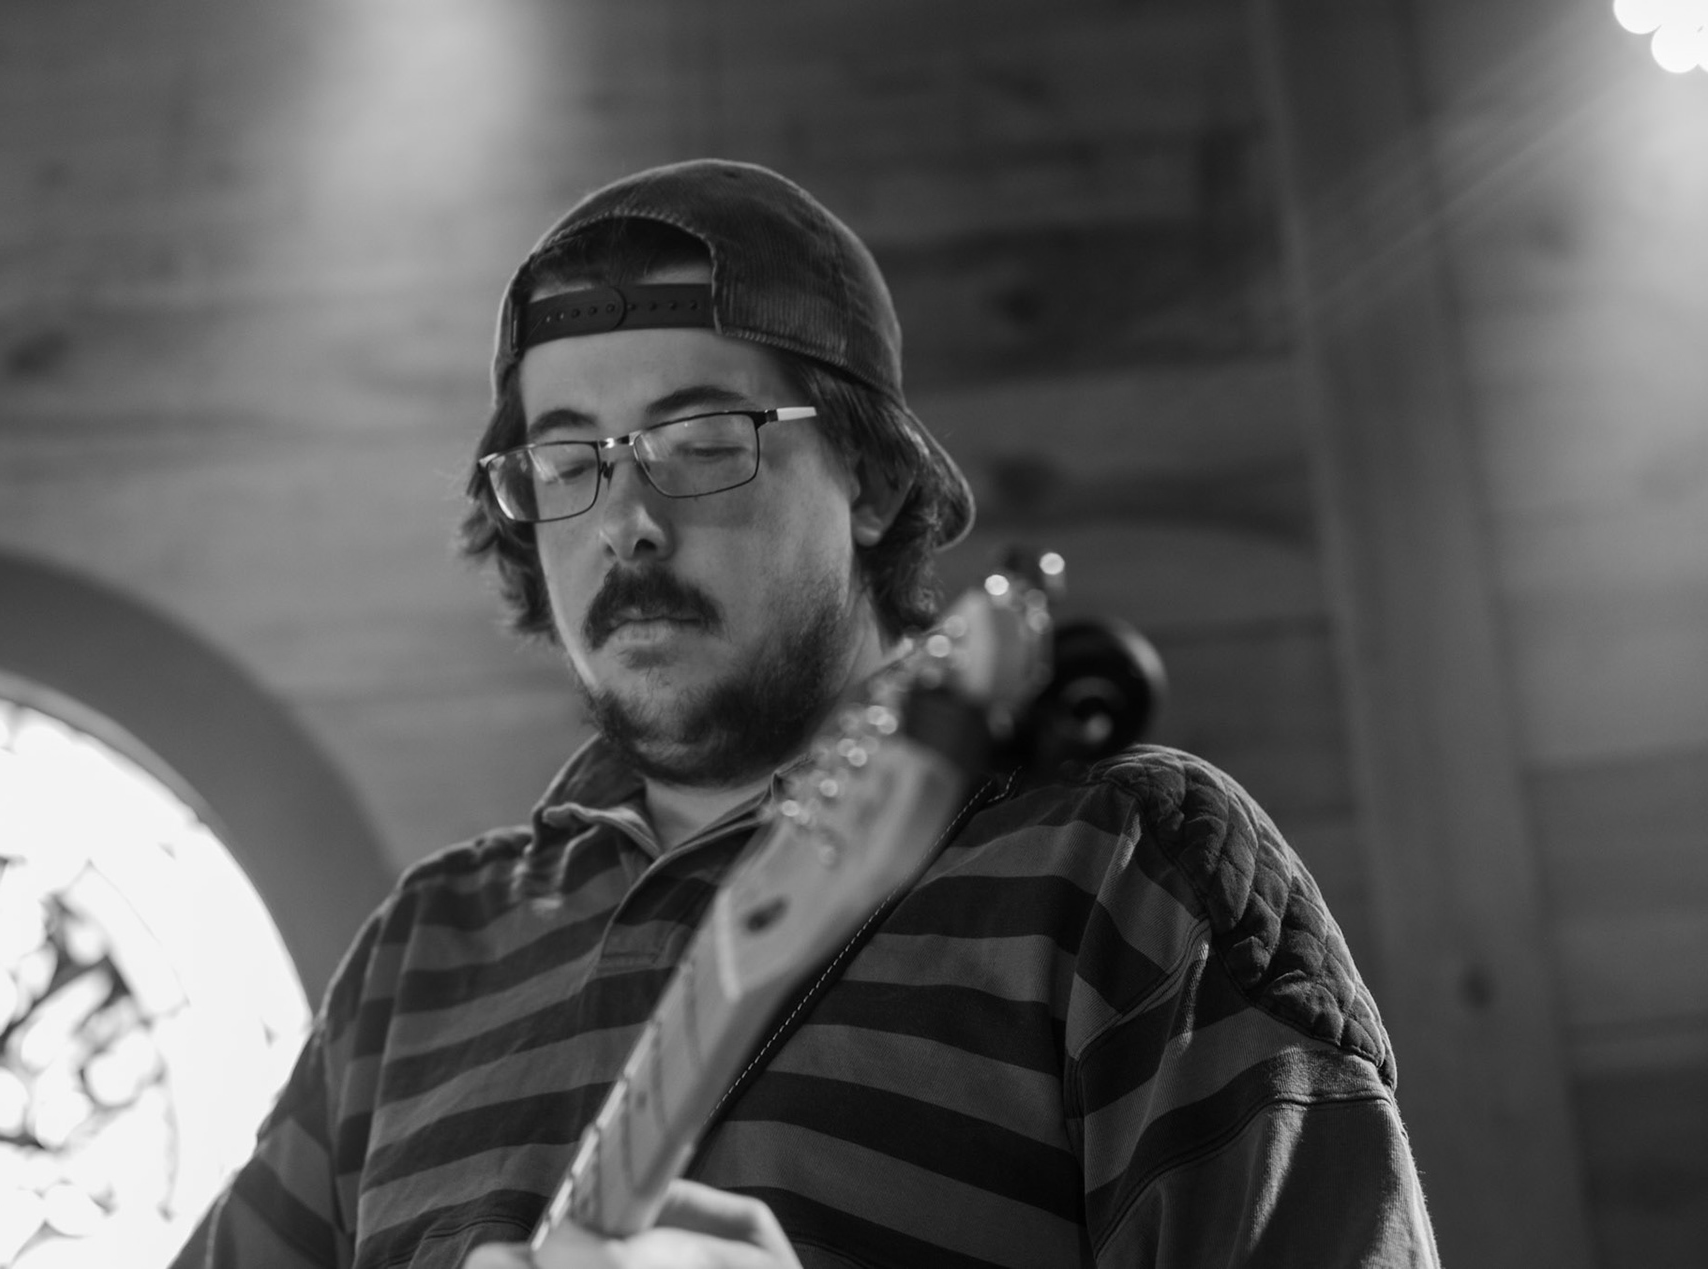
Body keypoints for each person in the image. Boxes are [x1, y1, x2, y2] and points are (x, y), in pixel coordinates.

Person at [173, 159, 1441, 1269]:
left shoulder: (1121, 866)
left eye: (702, 440)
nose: (625, 523)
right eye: (567, 463)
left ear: (874, 481)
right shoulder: (422, 954)